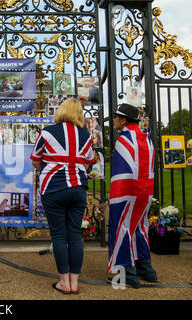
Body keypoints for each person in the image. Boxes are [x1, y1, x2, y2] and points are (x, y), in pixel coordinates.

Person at [30, 98, 94, 294]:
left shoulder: (48, 131)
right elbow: (88, 162)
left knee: (59, 234)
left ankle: (63, 283)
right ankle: (74, 283)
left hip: (54, 188)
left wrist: (47, 169)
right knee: (74, 235)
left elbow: (34, 160)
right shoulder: (86, 135)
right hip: (78, 188)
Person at [107, 103, 158, 288]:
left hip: (126, 192)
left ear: (123, 120)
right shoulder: (147, 137)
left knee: (121, 228)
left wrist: (112, 198)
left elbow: (120, 172)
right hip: (145, 191)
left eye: (115, 117)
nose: (113, 120)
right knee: (140, 227)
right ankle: (145, 268)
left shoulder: (123, 139)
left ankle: (125, 271)